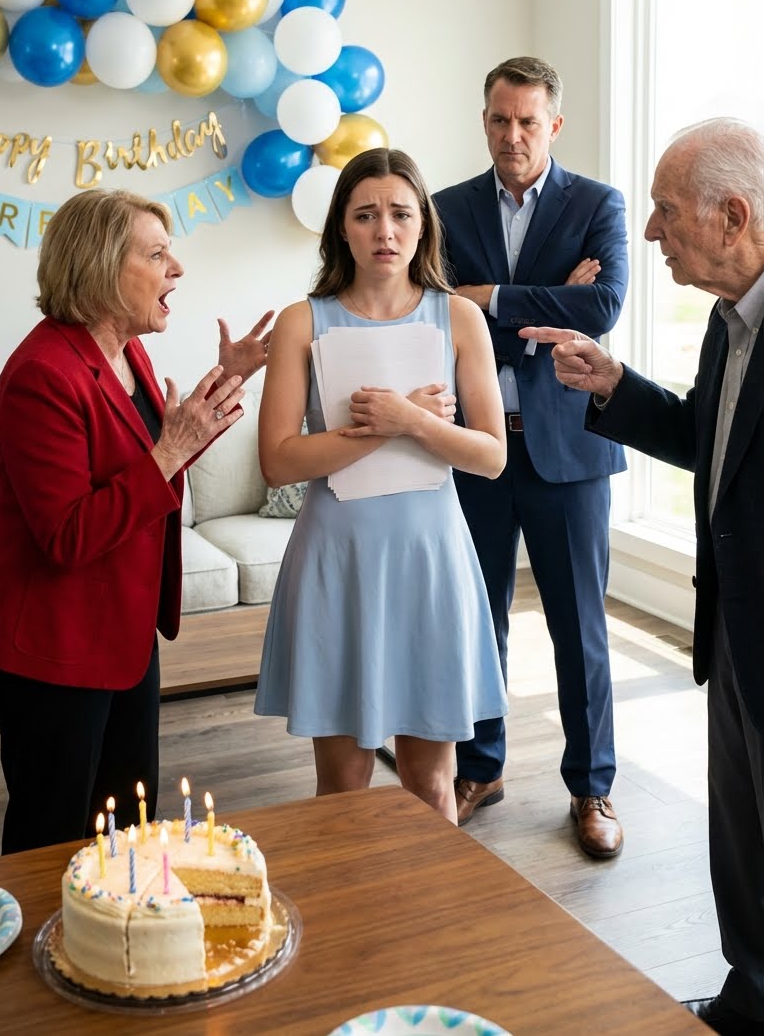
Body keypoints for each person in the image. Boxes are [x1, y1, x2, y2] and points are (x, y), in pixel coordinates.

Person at [522, 118, 764, 1034]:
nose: (652, 230)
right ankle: (750, 997)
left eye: (666, 209)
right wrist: (613, 382)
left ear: (732, 214)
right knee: (740, 835)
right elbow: (710, 436)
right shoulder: (728, 321)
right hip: (732, 627)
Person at [0, 189, 273, 854]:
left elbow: (151, 463)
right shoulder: (41, 375)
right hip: (59, 650)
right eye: (156, 255)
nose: (176, 268)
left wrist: (224, 383)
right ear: (100, 267)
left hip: (124, 632)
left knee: (126, 825)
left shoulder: (127, 353)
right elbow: (69, 536)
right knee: (51, 836)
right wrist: (171, 449)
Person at [254, 147, 508, 824]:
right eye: (366, 215)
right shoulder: (302, 321)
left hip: (430, 560)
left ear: (424, 224)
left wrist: (413, 421)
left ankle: (432, 901)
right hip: (337, 560)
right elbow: (278, 462)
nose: (385, 231)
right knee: (342, 787)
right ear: (342, 227)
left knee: (432, 783)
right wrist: (389, 424)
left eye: (401, 213)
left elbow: (491, 456)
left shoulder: (460, 318)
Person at [433, 55, 629, 855]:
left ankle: (593, 786)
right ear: (484, 120)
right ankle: (480, 766)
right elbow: (434, 315)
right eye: (499, 119)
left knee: (578, 627)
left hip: (569, 452)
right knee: (475, 618)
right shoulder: (445, 209)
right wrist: (551, 301)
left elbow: (602, 306)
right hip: (476, 448)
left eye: (527, 121)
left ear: (554, 124)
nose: (512, 135)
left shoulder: (598, 204)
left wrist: (490, 299)